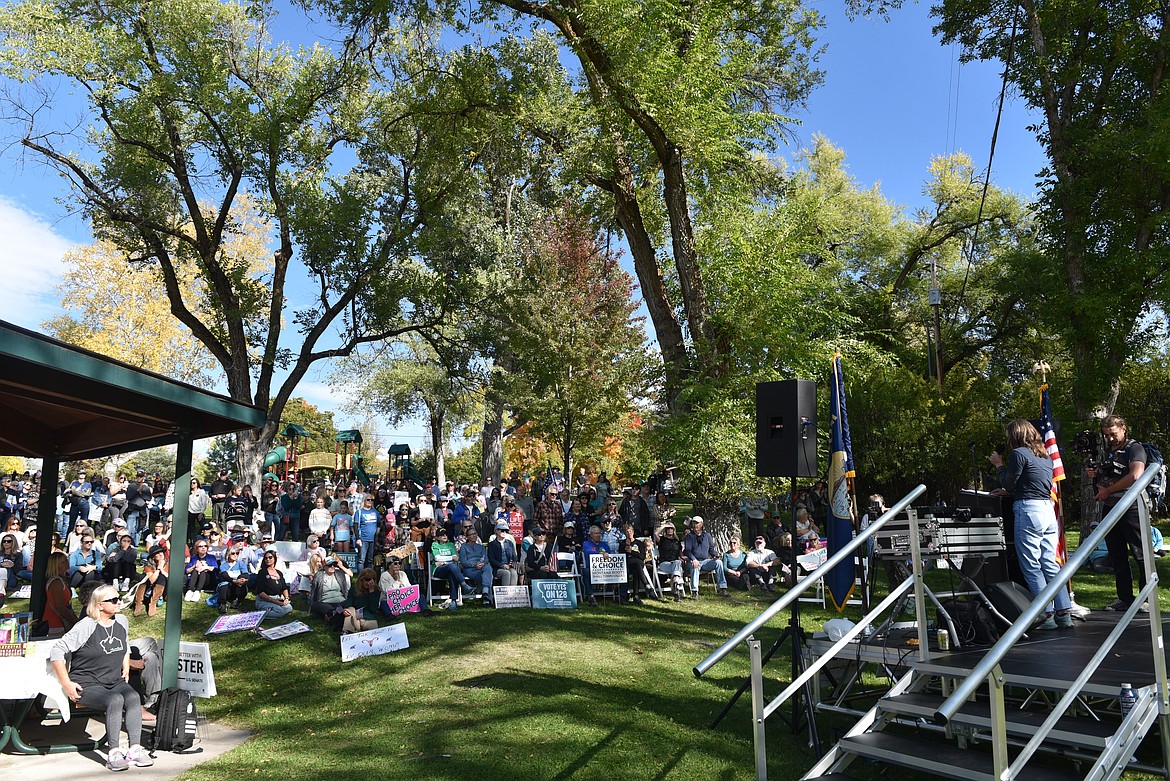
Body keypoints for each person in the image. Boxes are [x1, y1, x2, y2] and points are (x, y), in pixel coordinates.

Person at [50, 584, 154, 771]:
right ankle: (113, 753)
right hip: (87, 683)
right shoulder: (87, 625)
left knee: (132, 697)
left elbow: (124, 645)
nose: (118, 602)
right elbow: (57, 651)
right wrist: (66, 684)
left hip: (113, 680)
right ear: (99, 604)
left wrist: (125, 665)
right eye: (113, 600)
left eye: (119, 598)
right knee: (114, 700)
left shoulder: (121, 621)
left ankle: (135, 749)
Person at [988, 418, 1072, 629]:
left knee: (1031, 564)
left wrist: (999, 466)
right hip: (1046, 510)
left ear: (1014, 436)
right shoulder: (1045, 456)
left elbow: (1009, 481)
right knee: (1050, 564)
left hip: (1029, 510)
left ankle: (1046, 614)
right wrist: (1010, 491)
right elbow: (1033, 483)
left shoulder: (1018, 454)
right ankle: (1064, 612)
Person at [1085, 414, 1151, 613]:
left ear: (1123, 428)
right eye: (1106, 435)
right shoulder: (1107, 451)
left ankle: (1147, 598)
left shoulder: (1134, 448)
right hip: (1110, 507)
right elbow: (1107, 476)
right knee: (1117, 555)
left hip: (1131, 506)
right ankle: (1124, 598)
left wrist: (1109, 490)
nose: (1111, 439)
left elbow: (1135, 475)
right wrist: (1095, 475)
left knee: (1141, 554)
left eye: (1113, 434)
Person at [683, 517, 730, 598]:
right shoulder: (689, 536)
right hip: (693, 561)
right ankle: (694, 591)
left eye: (697, 523)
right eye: (694, 523)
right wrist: (693, 559)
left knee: (719, 563)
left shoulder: (707, 536)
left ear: (701, 524)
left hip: (705, 561)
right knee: (695, 565)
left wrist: (715, 556)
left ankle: (722, 588)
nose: (695, 525)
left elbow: (711, 549)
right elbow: (687, 551)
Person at [430, 527, 469, 611]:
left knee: (452, 573)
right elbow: (437, 558)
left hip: (450, 569)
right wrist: (450, 558)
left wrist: (444, 560)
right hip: (438, 570)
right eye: (441, 535)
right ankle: (464, 584)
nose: (444, 536)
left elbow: (456, 558)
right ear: (437, 537)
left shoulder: (451, 545)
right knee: (452, 567)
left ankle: (453, 601)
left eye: (445, 534)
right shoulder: (435, 545)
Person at [44, 551, 80, 633]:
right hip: (55, 622)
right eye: (63, 562)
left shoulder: (63, 579)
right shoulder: (56, 582)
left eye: (66, 560)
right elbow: (60, 606)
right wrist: (75, 621)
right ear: (56, 566)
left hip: (61, 621)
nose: (67, 563)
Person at [457, 526, 493, 604]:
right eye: (471, 534)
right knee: (488, 575)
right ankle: (486, 597)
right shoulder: (464, 547)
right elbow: (463, 562)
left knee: (487, 568)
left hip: (482, 568)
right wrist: (474, 564)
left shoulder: (481, 547)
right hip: (470, 570)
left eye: (475, 534)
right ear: (467, 537)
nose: (474, 536)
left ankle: (485, 594)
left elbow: (486, 558)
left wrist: (482, 563)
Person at [254, 549, 293, 617]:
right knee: (280, 612)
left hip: (277, 597)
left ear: (274, 558)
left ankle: (271, 610)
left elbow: (284, 588)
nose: (268, 559)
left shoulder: (279, 573)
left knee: (289, 608)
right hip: (265, 599)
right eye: (266, 558)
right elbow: (260, 592)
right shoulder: (262, 573)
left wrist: (286, 598)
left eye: (270, 557)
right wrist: (274, 601)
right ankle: (258, 614)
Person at [132, 546, 168, 617]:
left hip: (165, 589)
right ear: (153, 557)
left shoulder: (167, 563)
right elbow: (151, 580)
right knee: (143, 577)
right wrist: (158, 569)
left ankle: (153, 603)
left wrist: (162, 569)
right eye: (157, 553)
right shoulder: (148, 565)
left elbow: (169, 577)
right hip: (149, 588)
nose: (161, 554)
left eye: (161, 552)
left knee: (162, 577)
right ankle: (138, 603)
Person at [215, 545, 251, 613]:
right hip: (227, 588)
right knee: (224, 584)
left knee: (241, 580)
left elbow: (246, 574)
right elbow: (224, 575)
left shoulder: (241, 564)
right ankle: (222, 603)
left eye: (237, 553)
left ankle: (237, 600)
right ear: (228, 554)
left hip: (239, 587)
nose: (235, 555)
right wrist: (234, 581)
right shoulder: (223, 565)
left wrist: (242, 579)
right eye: (233, 553)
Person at [656, 523, 685, 600]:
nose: (669, 530)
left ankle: (675, 588)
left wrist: (688, 558)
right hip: (664, 564)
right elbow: (656, 533)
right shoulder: (662, 540)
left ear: (674, 530)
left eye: (671, 528)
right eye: (668, 529)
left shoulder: (677, 542)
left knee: (677, 562)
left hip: (675, 564)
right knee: (678, 567)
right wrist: (664, 526)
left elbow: (681, 555)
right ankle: (675, 585)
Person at [488, 521, 521, 588]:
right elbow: (491, 559)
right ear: (497, 531)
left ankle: (512, 593)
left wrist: (512, 563)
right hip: (497, 568)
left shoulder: (509, 543)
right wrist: (502, 565)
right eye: (502, 531)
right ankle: (505, 594)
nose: (504, 533)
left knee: (514, 573)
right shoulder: (492, 544)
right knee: (506, 573)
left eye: (506, 531)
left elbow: (514, 556)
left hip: (509, 566)